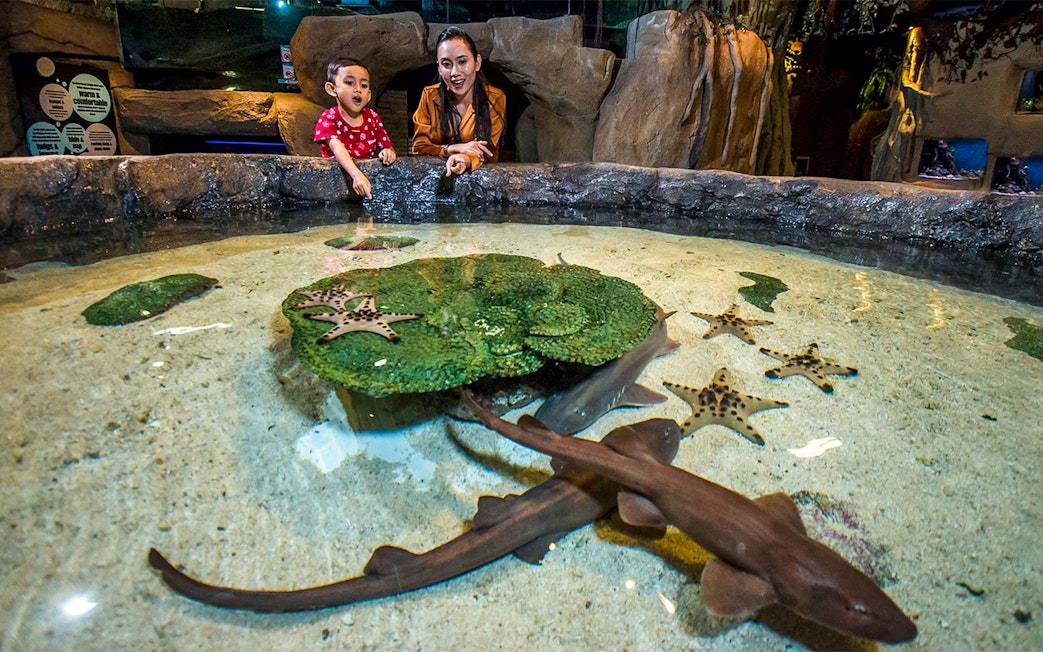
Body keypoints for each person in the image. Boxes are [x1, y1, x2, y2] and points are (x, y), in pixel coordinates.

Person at [412, 26, 506, 177]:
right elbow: (419, 146)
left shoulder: (494, 98)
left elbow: (487, 149)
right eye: (446, 64)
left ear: (477, 63)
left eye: (462, 62)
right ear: (439, 68)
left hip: (483, 180)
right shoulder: (430, 96)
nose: (455, 72)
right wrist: (454, 149)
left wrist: (464, 159)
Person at [314, 58, 396, 199]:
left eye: (363, 85)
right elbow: (337, 148)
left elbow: (387, 147)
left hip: (367, 179)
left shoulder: (373, 117)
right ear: (331, 89)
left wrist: (388, 153)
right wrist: (356, 174)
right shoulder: (329, 118)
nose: (358, 89)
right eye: (349, 83)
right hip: (337, 181)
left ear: (369, 95)